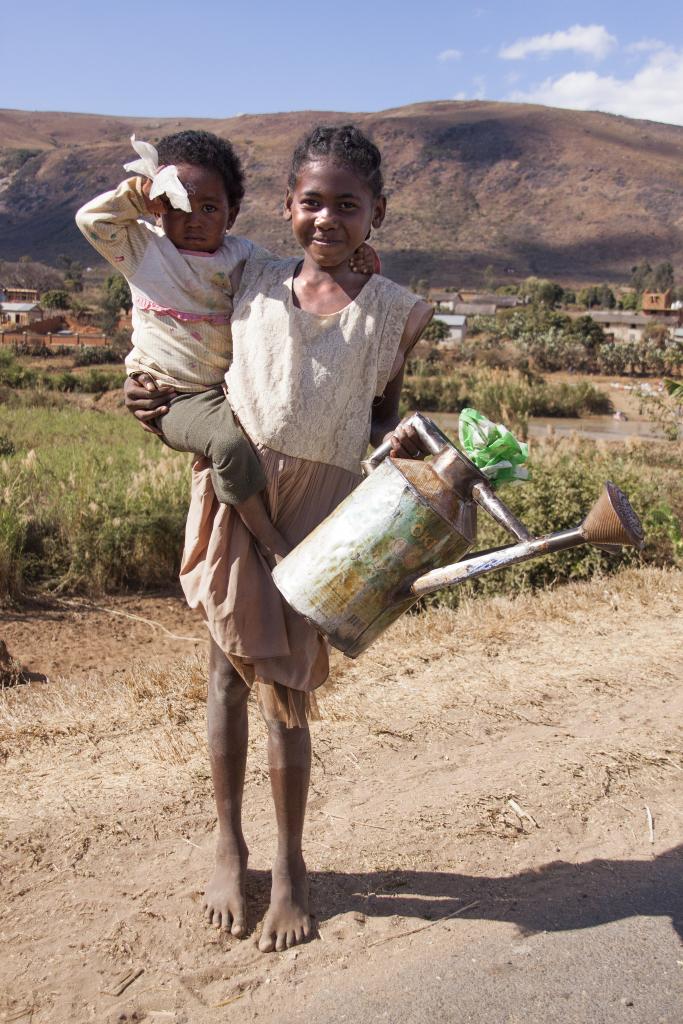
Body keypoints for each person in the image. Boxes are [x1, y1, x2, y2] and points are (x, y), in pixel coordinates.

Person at [125, 124, 433, 953]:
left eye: (346, 205)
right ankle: (229, 845)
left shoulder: (396, 312)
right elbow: (184, 352)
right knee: (225, 678)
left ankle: (292, 870)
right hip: (239, 499)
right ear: (285, 206)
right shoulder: (249, 275)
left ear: (377, 212)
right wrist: (159, 408)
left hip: (321, 514)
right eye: (309, 202)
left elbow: (376, 414)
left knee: (289, 696)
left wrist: (396, 441)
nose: (325, 219)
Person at [76, 130, 287, 563]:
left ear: (232, 215)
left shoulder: (243, 256)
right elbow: (90, 220)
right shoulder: (143, 250)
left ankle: (242, 541)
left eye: (209, 208)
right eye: (178, 207)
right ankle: (272, 541)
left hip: (225, 391)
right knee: (227, 446)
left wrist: (358, 261)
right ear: (158, 211)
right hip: (169, 394)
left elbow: (299, 277)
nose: (194, 220)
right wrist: (137, 196)